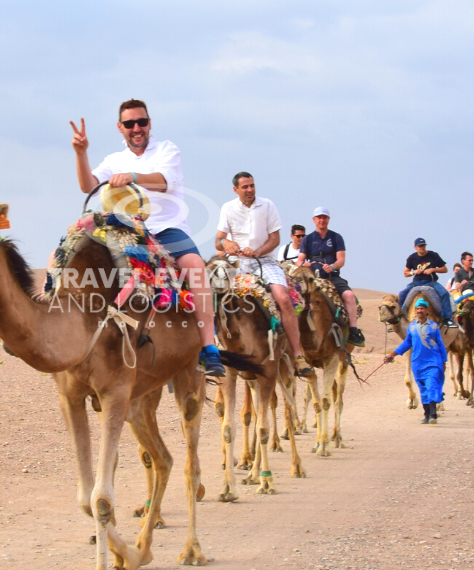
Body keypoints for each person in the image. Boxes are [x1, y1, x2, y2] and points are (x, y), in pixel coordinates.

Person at [70, 99, 225, 377]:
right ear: (120, 128)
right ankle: (59, 326)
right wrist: (81, 153)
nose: (137, 128)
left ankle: (208, 348)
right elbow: (88, 187)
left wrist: (132, 176)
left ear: (149, 123)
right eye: (130, 124)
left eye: (142, 122)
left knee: (195, 267)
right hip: (125, 230)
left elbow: (164, 181)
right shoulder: (113, 160)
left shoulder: (167, 150)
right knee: (71, 252)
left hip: (166, 228)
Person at [216, 174, 309, 372]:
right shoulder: (228, 208)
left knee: (283, 298)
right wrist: (227, 243)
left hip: (263, 260)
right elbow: (219, 241)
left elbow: (275, 239)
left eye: (252, 186)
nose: (250, 190)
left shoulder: (267, 205)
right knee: (214, 294)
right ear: (236, 190)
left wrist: (258, 251)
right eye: (245, 187)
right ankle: (211, 349)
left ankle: (297, 354)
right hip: (236, 262)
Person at [295, 208, 364, 346]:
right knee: (295, 298)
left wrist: (332, 266)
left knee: (349, 296)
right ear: (314, 219)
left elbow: (341, 260)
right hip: (312, 277)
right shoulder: (307, 239)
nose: (322, 220)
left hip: (332, 276)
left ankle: (353, 331)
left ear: (328, 219)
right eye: (319, 217)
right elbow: (299, 260)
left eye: (324, 217)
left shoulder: (336, 238)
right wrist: (304, 264)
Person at [384, 298, 447, 424]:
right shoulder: (412, 327)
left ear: (426, 310)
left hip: (433, 362)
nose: (419, 311)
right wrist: (393, 354)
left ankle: (433, 414)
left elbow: (441, 345)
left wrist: (443, 361)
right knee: (423, 389)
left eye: (422, 308)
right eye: (417, 309)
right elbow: (407, 343)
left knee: (431, 386)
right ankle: (427, 414)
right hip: (418, 363)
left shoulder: (434, 327)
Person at [398, 237, 455, 325]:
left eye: (423, 245)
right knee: (401, 295)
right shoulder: (412, 258)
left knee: (444, 294)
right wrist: (414, 272)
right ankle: (398, 319)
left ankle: (448, 319)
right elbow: (405, 273)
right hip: (416, 283)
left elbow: (444, 269)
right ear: (415, 247)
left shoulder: (433, 255)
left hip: (431, 282)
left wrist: (433, 269)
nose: (422, 247)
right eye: (420, 246)